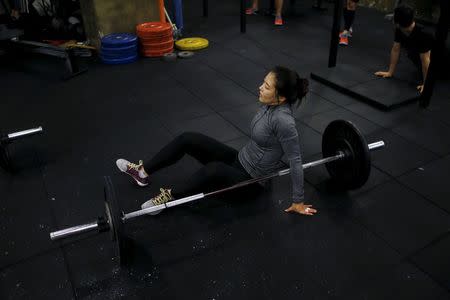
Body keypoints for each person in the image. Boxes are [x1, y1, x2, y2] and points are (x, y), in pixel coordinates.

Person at [116, 66, 317, 217]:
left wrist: (298, 201)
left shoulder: (284, 121)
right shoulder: (268, 104)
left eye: (266, 86)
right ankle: (142, 173)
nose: (260, 87)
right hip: (239, 161)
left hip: (252, 182)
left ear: (281, 98)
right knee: (188, 138)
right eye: (263, 82)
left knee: (213, 169)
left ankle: (168, 199)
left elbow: (296, 160)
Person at [375, 5, 433, 94]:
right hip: (420, 60)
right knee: (412, 53)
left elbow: (426, 61)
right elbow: (395, 49)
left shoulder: (423, 34)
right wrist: (390, 72)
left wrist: (426, 85)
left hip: (440, 63)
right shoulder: (399, 29)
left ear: (397, 22)